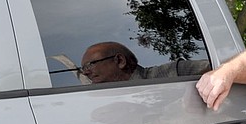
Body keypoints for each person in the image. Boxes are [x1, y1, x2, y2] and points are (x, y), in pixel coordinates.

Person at [80, 41, 209, 83]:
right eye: (83, 68)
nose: (85, 73)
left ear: (120, 61)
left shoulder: (174, 73)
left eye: (90, 65)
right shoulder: (103, 110)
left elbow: (223, 69)